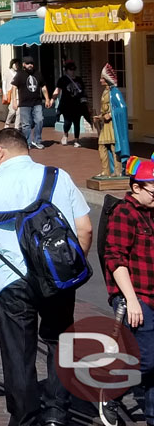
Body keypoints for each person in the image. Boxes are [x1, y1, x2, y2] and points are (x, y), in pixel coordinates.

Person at [0, 128, 91, 426]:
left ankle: (24, 416)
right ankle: (57, 412)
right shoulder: (58, 177)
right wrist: (70, 267)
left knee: (18, 350)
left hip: (12, 281)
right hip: (58, 277)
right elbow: (85, 229)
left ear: (1, 152)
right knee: (61, 341)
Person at [100, 155, 154, 426]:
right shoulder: (125, 213)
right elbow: (115, 258)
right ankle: (111, 392)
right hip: (137, 296)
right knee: (145, 359)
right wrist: (131, 300)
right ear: (136, 188)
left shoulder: (152, 212)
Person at [98, 64, 129, 178]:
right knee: (102, 145)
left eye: (102, 78)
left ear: (106, 80)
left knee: (113, 146)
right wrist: (100, 116)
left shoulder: (114, 92)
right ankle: (106, 171)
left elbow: (122, 107)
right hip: (105, 125)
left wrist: (111, 114)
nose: (100, 80)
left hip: (113, 125)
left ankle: (117, 170)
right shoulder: (105, 92)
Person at [13, 57, 51, 150]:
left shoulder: (38, 74)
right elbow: (14, 88)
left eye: (31, 63)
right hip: (24, 103)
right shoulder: (20, 74)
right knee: (26, 124)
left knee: (39, 120)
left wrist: (47, 99)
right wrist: (14, 101)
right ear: (24, 64)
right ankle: (28, 142)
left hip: (37, 102)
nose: (30, 65)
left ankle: (37, 140)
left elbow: (43, 87)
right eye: (28, 63)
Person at [53, 61, 87, 148]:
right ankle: (65, 135)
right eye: (70, 69)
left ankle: (76, 140)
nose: (72, 71)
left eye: (73, 69)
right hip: (66, 104)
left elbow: (83, 91)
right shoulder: (62, 80)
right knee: (67, 122)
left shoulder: (79, 79)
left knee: (77, 123)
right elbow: (57, 90)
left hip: (77, 105)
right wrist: (52, 99)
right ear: (66, 70)